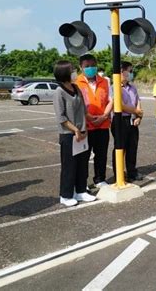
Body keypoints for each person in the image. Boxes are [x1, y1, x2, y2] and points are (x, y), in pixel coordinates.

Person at [53, 60, 96, 206]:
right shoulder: (59, 92)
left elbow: (83, 110)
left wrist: (94, 119)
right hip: (69, 135)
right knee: (69, 166)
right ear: (64, 72)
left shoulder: (76, 88)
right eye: (72, 70)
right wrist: (75, 130)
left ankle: (81, 191)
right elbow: (61, 117)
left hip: (82, 133)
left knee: (82, 164)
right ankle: (65, 195)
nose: (74, 72)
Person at [75, 54, 113, 188]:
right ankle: (82, 183)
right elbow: (76, 105)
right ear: (81, 67)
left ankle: (100, 179)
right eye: (87, 66)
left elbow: (111, 101)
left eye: (93, 65)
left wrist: (104, 116)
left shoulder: (105, 82)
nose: (90, 68)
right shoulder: (76, 83)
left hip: (103, 125)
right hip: (86, 126)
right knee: (83, 156)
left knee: (101, 154)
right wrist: (89, 118)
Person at [111, 61, 144, 182]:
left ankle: (132, 172)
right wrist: (136, 111)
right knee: (120, 147)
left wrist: (138, 116)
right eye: (129, 71)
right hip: (120, 120)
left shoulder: (132, 87)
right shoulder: (114, 87)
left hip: (132, 120)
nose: (131, 73)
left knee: (132, 147)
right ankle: (118, 174)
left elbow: (138, 102)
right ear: (121, 71)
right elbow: (121, 105)